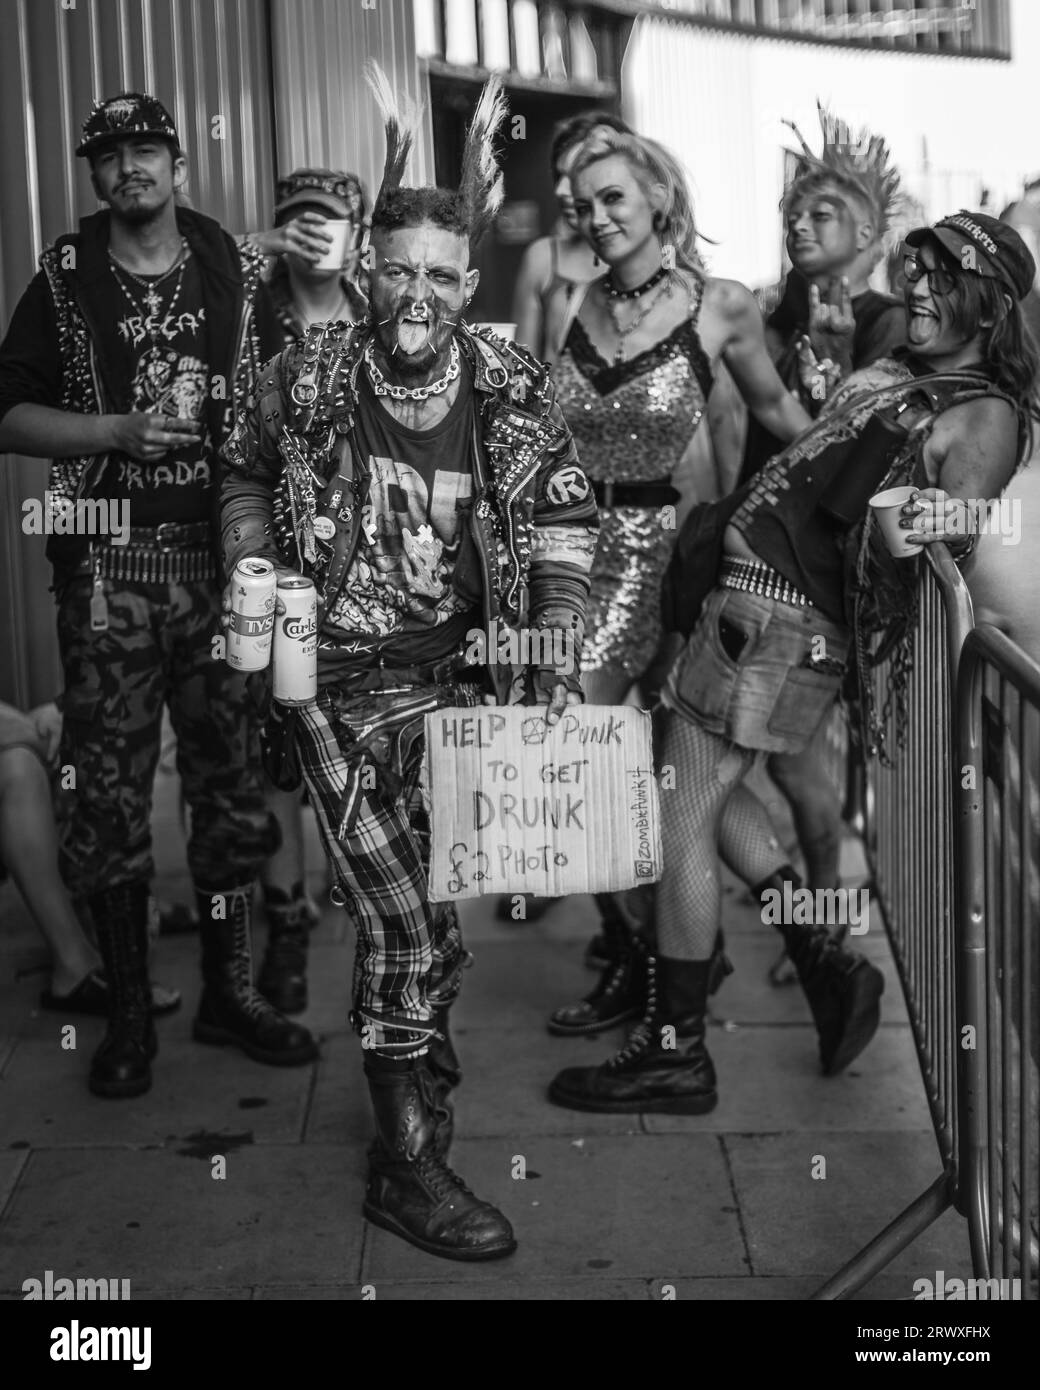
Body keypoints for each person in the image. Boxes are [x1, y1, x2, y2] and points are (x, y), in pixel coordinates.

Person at [220, 66, 598, 1261]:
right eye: (399, 270)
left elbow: (565, 520)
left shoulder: (510, 385)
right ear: (366, 272)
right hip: (328, 683)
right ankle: (408, 1168)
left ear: (467, 283)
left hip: (459, 685)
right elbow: (237, 465)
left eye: (442, 274)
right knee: (397, 922)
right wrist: (247, 557)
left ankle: (415, 1046)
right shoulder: (308, 377)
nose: (419, 293)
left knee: (431, 912)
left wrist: (549, 636)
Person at [548, 211, 1039, 1114]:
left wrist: (919, 517)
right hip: (741, 604)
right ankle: (820, 953)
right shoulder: (902, 371)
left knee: (674, 818)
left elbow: (955, 526)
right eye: (916, 269)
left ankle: (677, 1049)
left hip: (781, 625)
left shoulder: (986, 412)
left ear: (991, 307)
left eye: (943, 278)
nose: (919, 287)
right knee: (698, 790)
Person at [0, 92, 316, 1099]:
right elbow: (6, 411)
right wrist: (112, 435)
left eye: (145, 148)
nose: (128, 165)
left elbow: (283, 393)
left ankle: (228, 991)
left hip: (221, 566)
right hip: (106, 567)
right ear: (94, 175)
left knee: (226, 796)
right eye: (109, 154)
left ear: (177, 162)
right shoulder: (61, 279)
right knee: (109, 798)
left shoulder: (240, 267)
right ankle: (129, 1015)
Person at [541, 123, 815, 1038]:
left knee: (678, 781)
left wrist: (870, 472)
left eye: (615, 196)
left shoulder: (722, 305)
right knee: (580, 768)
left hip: (677, 565)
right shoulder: (566, 300)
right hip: (575, 558)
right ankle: (667, 950)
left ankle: (692, 972)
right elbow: (534, 436)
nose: (599, 216)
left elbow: (783, 416)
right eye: (585, 204)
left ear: (659, 199)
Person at [739, 108, 907, 978]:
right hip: (761, 569)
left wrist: (839, 364)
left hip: (827, 584)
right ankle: (810, 907)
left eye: (823, 216)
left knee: (806, 771)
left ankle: (827, 929)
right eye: (793, 218)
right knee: (762, 759)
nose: (800, 228)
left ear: (870, 233)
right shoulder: (772, 314)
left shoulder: (889, 325)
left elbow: (871, 452)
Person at [254, 167, 369, 1014]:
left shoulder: (381, 317)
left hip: (370, 574)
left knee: (359, 747)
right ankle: (285, 926)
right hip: (278, 569)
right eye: (296, 220)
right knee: (276, 760)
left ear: (357, 234)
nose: (312, 234)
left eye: (328, 220)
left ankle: (373, 910)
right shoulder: (252, 316)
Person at [511, 111, 629, 360]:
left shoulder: (657, 255)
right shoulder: (543, 257)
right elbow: (521, 370)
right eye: (558, 176)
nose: (561, 190)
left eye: (575, 176)